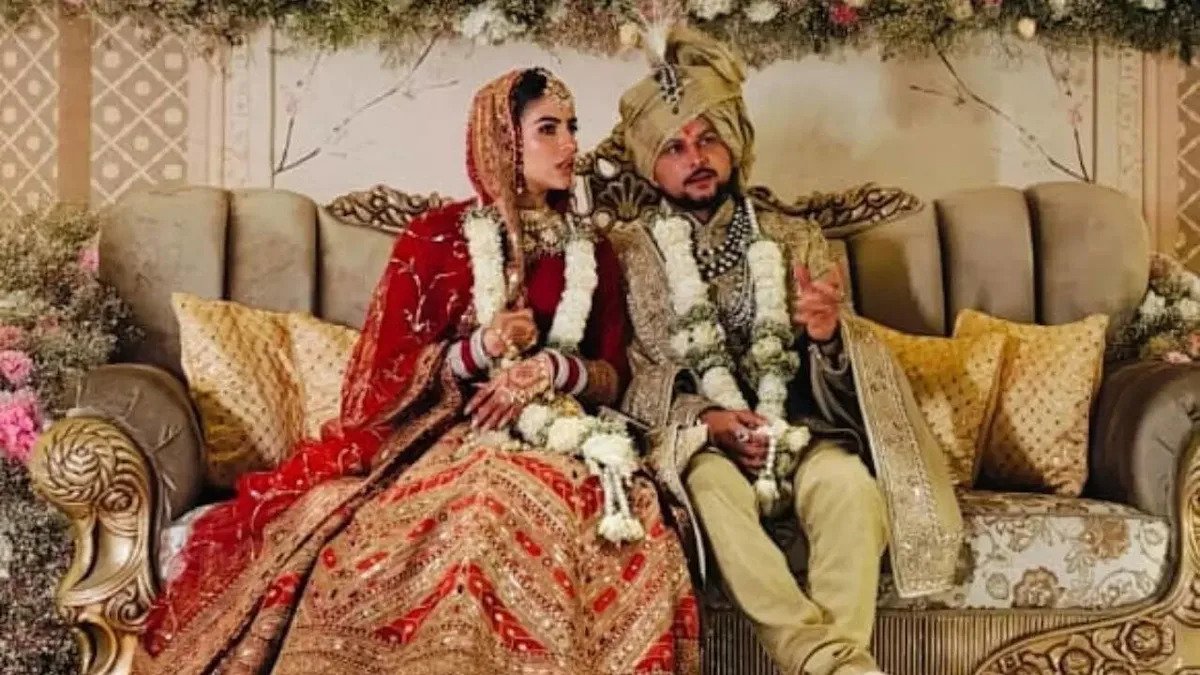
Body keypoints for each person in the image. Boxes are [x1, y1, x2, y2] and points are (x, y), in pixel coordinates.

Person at [134, 68, 699, 675]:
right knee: (478, 507)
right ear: (503, 140)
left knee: (608, 516)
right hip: (448, 435)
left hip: (565, 438)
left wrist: (553, 369)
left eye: (572, 127)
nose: (570, 145)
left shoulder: (593, 251)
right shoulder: (436, 239)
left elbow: (612, 375)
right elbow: (379, 378)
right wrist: (479, 349)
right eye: (548, 129)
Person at [607, 25, 963, 675]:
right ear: (650, 163)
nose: (696, 157)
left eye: (709, 138)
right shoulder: (626, 254)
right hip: (701, 445)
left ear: (734, 143)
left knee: (850, 489)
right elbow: (628, 374)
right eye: (675, 146)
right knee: (711, 492)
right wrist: (709, 420)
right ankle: (833, 664)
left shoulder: (795, 238)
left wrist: (828, 337)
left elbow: (844, 384)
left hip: (798, 431)